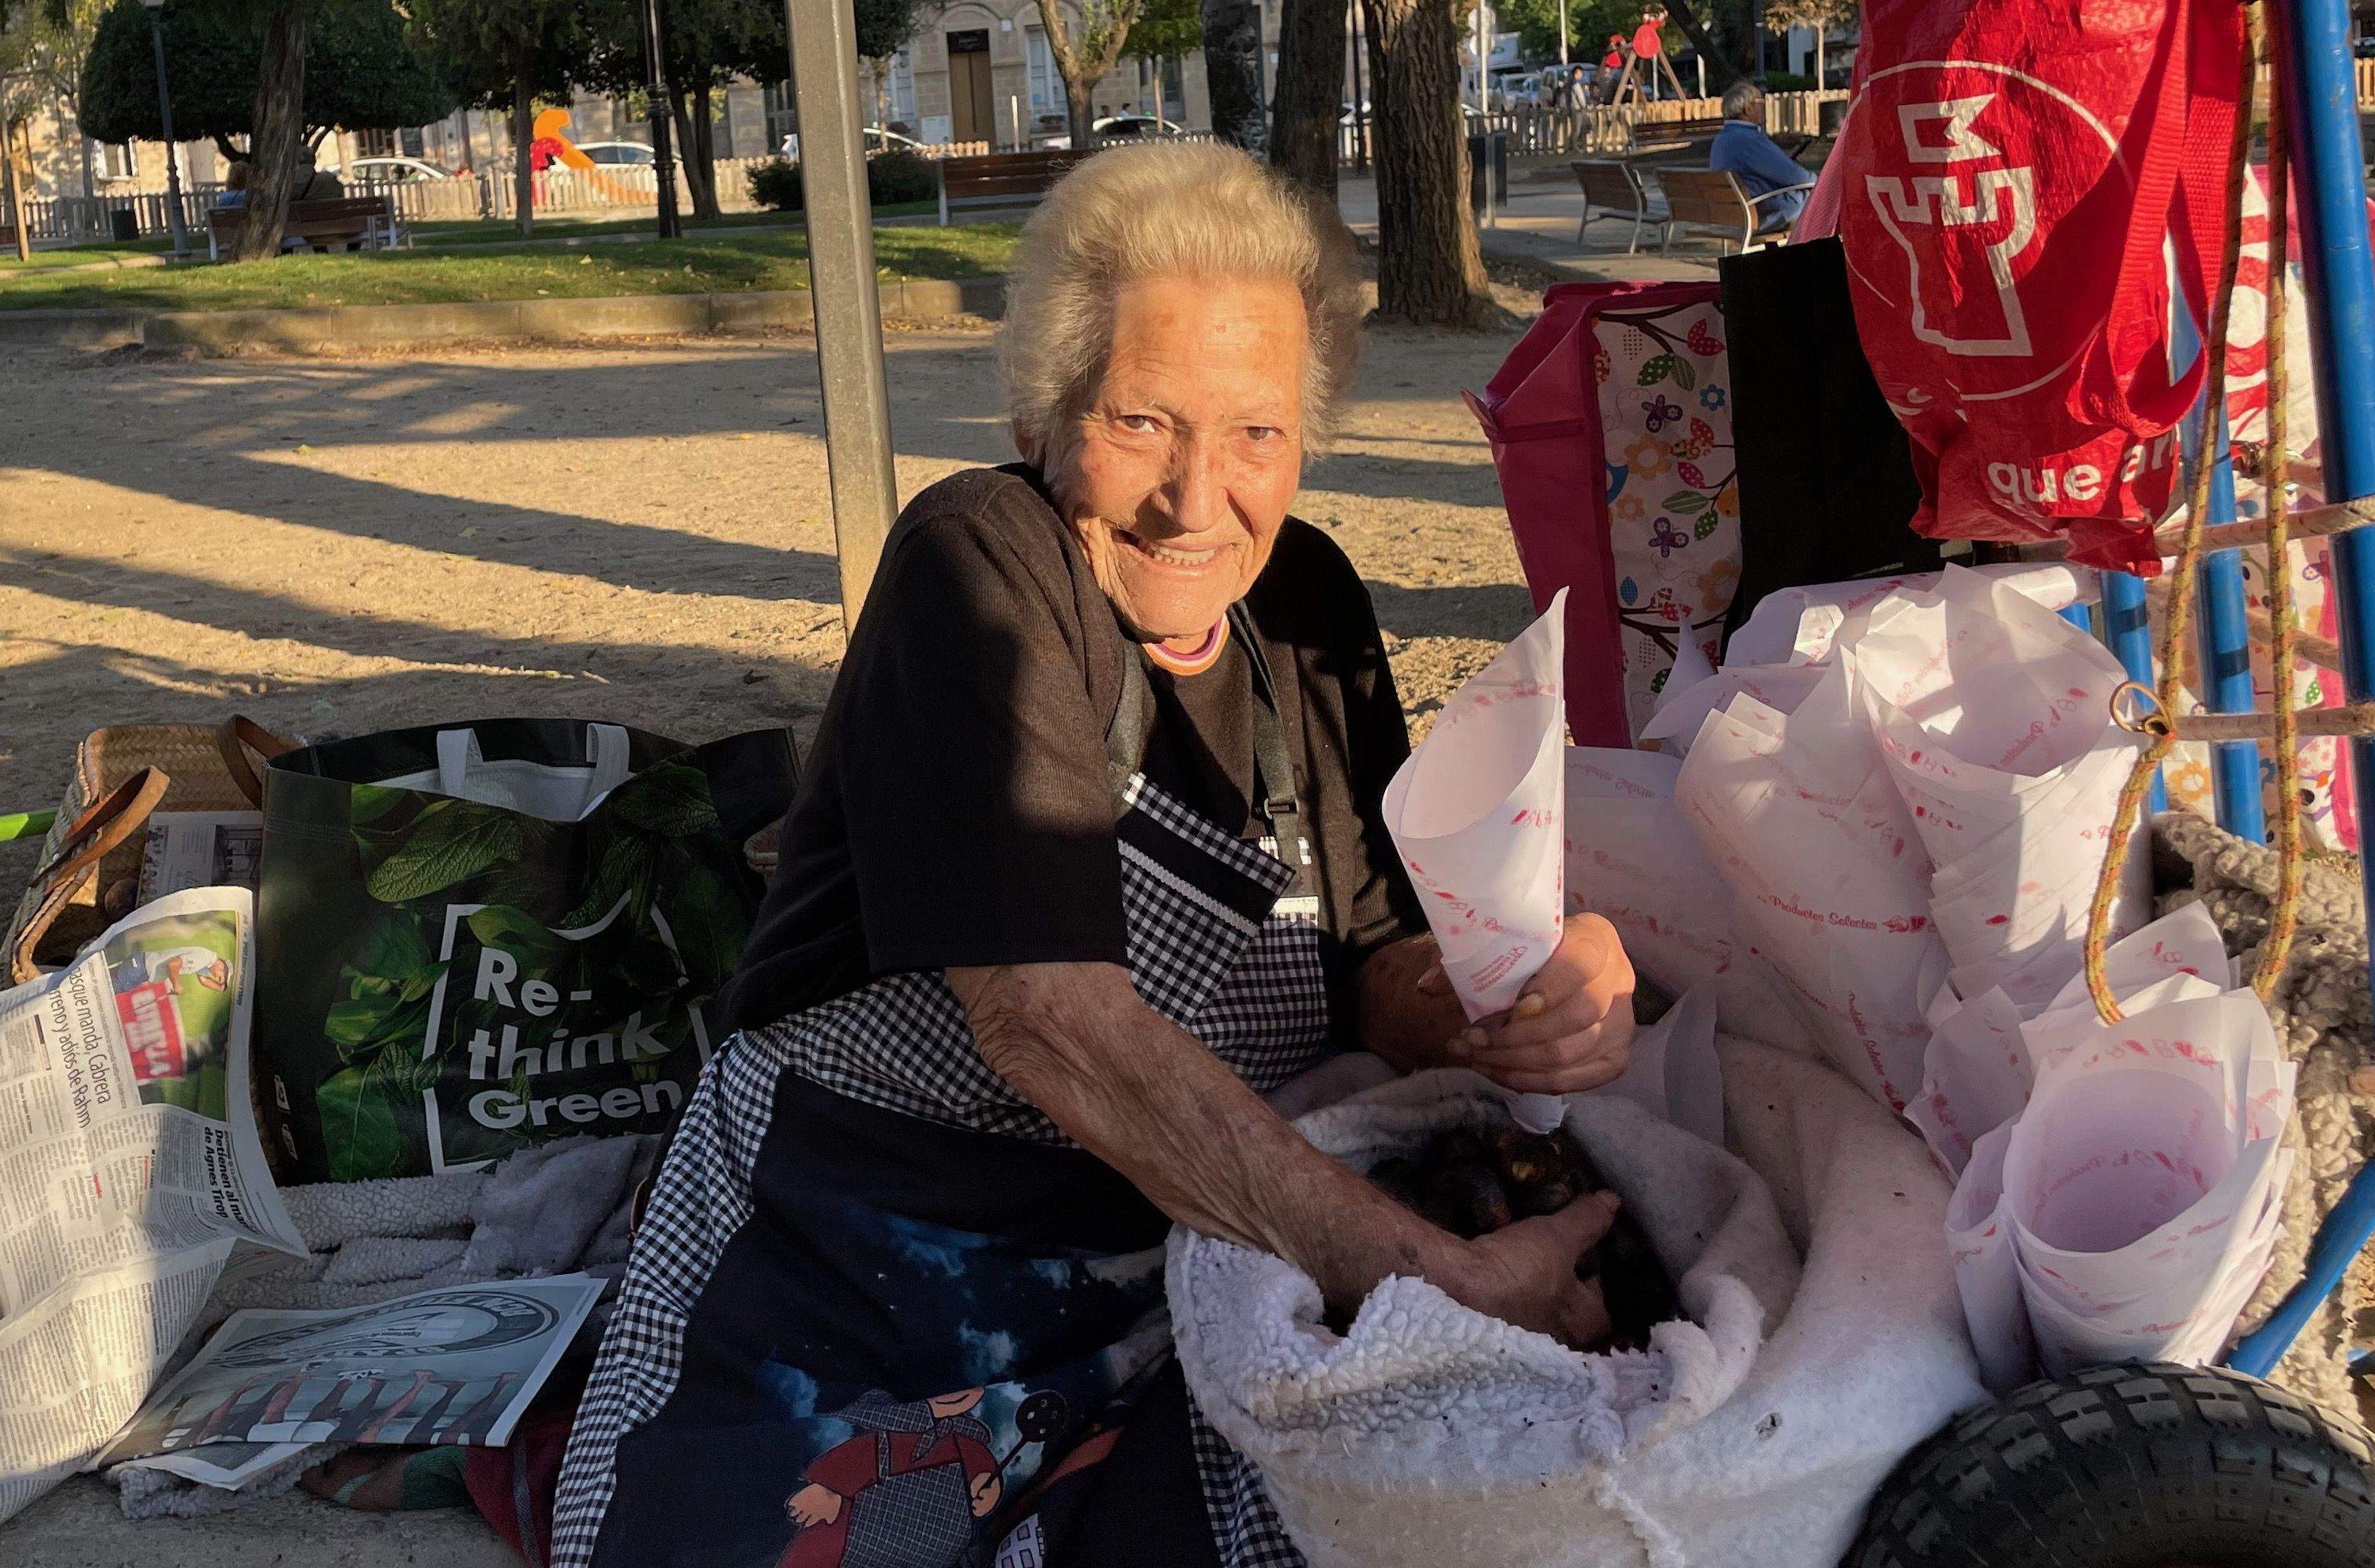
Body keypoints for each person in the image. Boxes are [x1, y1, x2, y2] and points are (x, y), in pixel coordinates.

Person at [550, 141, 1639, 1568]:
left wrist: (1525, 992)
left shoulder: (1303, 593)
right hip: (880, 1240)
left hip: (1186, 1234)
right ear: (1048, 409)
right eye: (1143, 422)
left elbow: (1374, 956)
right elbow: (1053, 1024)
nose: (1199, 499)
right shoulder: (980, 565)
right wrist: (1429, 1285)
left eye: (1257, 434)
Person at [1709, 79, 1812, 228]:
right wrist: (1821, 181)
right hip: (1757, 215)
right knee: (1819, 197)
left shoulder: (1723, 138)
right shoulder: (1747, 139)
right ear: (1748, 108)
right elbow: (1796, 176)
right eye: (1761, 101)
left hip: (1733, 213)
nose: (1764, 106)